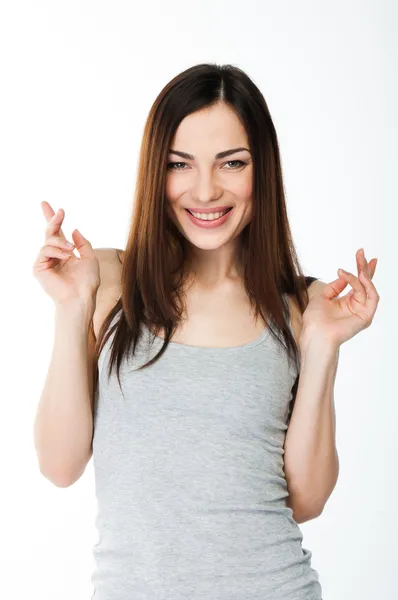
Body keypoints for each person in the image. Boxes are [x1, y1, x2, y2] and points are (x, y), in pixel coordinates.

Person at [33, 63, 379, 600]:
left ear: (261, 169)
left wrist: (323, 347)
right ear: (156, 171)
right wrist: (71, 308)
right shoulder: (105, 281)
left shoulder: (302, 307)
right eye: (180, 164)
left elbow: (306, 501)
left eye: (232, 163)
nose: (205, 190)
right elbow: (59, 465)